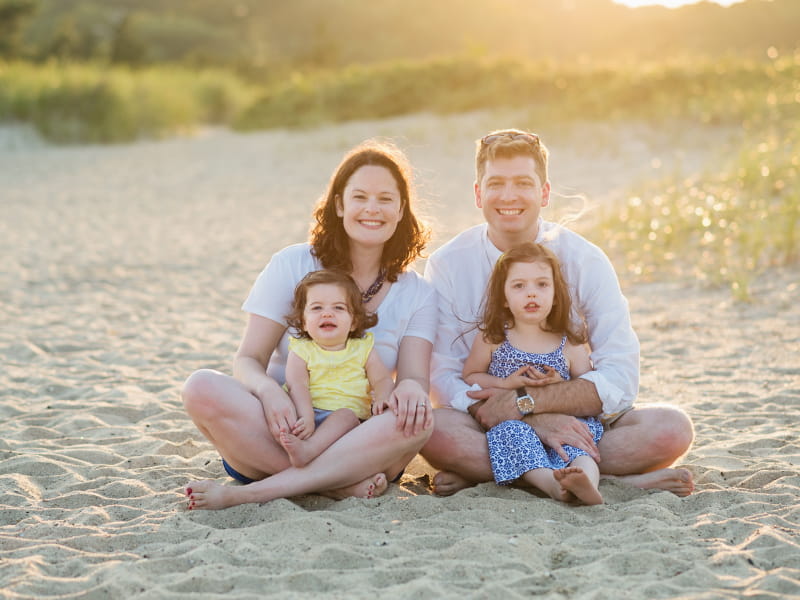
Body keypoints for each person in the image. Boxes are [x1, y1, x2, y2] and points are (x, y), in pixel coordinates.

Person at [421, 128, 695, 497]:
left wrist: (530, 405)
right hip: (493, 423)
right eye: (496, 183)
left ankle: (501, 475)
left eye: (523, 183)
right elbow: (444, 377)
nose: (509, 196)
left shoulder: (586, 260)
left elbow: (620, 377)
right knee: (432, 430)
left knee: (672, 429)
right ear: (477, 193)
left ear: (544, 193)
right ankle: (609, 481)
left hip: (577, 424)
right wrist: (536, 422)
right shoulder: (449, 265)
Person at [183, 139, 436, 510]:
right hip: (281, 430)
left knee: (420, 420)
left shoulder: (418, 292)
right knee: (200, 387)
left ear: (401, 210)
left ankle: (254, 493)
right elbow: (248, 359)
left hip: (358, 437)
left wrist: (412, 390)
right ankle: (337, 487)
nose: (372, 209)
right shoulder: (292, 264)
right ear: (339, 205)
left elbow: (414, 379)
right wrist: (269, 393)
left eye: (385, 199)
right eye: (360, 197)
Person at [463, 242, 604, 505]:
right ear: (503, 297)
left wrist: (560, 383)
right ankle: (552, 485)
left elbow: (586, 384)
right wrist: (505, 383)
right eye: (519, 286)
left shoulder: (569, 342)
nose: (532, 294)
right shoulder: (492, 338)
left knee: (579, 447)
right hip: (517, 424)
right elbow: (471, 376)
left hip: (563, 420)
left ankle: (586, 482)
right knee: (512, 436)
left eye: (542, 285)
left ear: (555, 293)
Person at [278, 269, 394, 468]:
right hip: (308, 416)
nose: (327, 313)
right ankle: (308, 451)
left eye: (339, 308)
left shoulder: (362, 348)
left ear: (354, 321)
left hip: (351, 423)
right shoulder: (301, 350)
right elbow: (297, 385)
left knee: (346, 416)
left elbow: (382, 379)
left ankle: (309, 452)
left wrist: (383, 396)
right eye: (316, 308)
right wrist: (307, 416)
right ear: (303, 322)